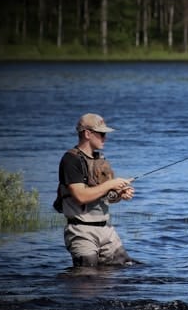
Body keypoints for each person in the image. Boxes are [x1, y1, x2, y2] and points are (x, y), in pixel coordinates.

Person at [56, 113, 136, 267]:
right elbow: (80, 196)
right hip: (82, 232)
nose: (105, 138)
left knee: (128, 269)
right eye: (102, 134)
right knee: (88, 280)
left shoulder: (101, 161)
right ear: (87, 134)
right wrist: (111, 184)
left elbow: (106, 196)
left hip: (107, 230)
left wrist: (120, 193)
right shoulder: (70, 160)